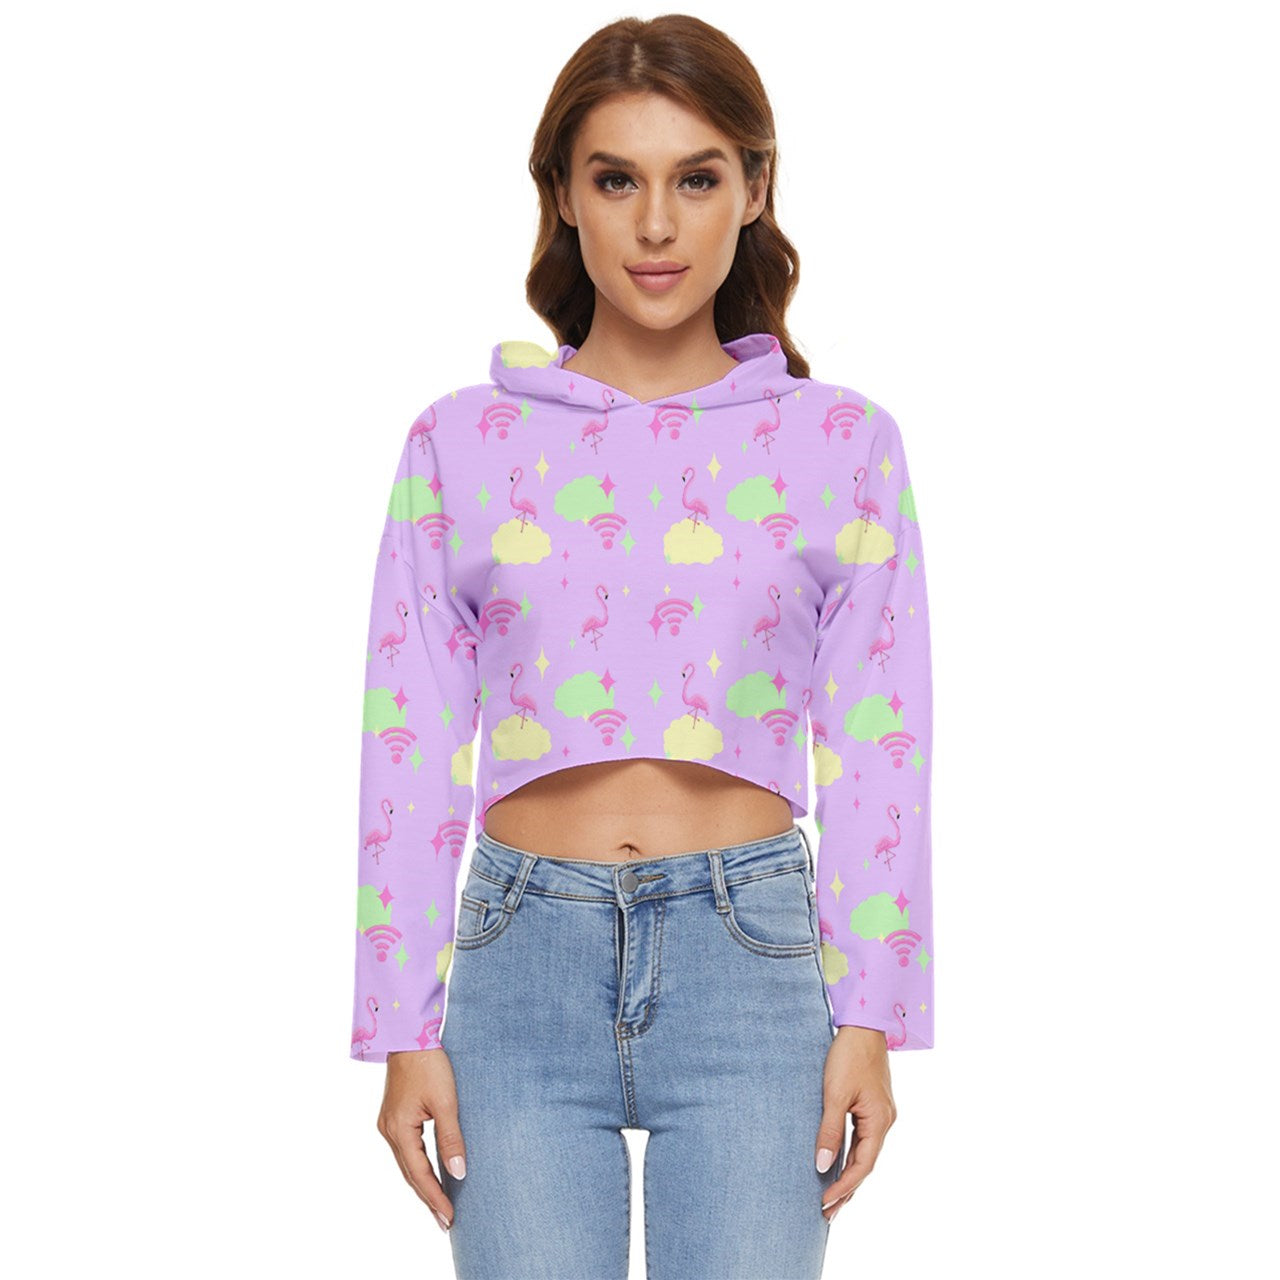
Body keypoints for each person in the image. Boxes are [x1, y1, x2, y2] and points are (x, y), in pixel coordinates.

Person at [350, 14, 934, 1278]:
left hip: (752, 968)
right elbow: (407, 737)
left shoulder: (840, 443)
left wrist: (872, 1016)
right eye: (615, 179)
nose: (656, 225)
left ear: (755, 186)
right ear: (562, 194)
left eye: (696, 178)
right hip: (517, 967)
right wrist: (402, 1024)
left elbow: (879, 742)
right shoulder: (463, 440)